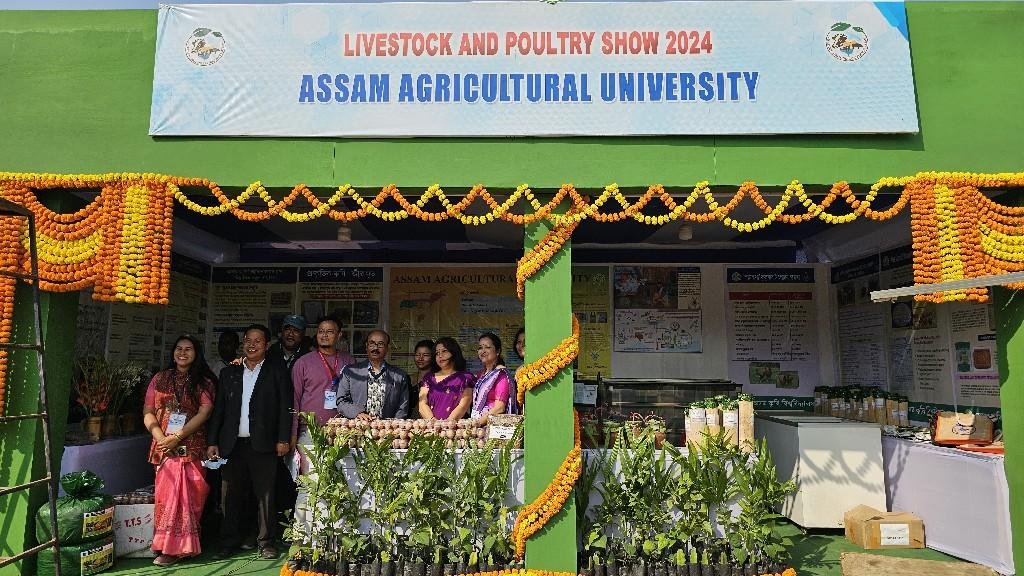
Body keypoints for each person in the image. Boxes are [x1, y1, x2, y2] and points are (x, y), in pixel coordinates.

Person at [207, 324, 293, 560]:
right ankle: (228, 542)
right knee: (230, 495)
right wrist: (212, 441)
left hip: (264, 443)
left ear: (267, 345)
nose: (252, 345)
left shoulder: (277, 371)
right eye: (248, 340)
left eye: (257, 341)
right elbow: (219, 410)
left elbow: (285, 408)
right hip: (232, 444)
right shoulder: (229, 373)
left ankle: (266, 542)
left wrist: (283, 439)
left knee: (265, 496)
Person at [143, 335, 217, 566]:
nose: (182, 353)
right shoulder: (159, 378)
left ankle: (182, 547)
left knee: (189, 498)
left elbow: (205, 412)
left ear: (196, 354)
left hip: (191, 447)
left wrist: (176, 437)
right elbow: (148, 411)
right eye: (179, 348)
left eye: (188, 349)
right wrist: (161, 438)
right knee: (166, 497)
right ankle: (165, 545)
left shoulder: (203, 382)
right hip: (164, 448)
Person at [290, 316, 355, 463]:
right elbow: (294, 399)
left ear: (339, 335)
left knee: (342, 474)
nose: (324, 335)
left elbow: (355, 396)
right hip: (310, 431)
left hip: (342, 430)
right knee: (312, 475)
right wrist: (293, 434)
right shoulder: (303, 363)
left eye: (329, 331)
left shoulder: (349, 361)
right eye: (321, 331)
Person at [337, 329, 410, 420]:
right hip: (358, 426)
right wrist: (357, 413)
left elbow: (403, 406)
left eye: (380, 344)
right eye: (372, 343)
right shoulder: (350, 372)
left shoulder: (399, 375)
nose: (375, 348)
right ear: (366, 346)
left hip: (387, 427)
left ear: (387, 348)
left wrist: (393, 425)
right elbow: (341, 401)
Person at [419, 337, 475, 420]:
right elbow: (422, 404)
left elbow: (463, 405)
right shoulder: (429, 378)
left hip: (455, 426)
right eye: (437, 353)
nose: (440, 356)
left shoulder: (465, 377)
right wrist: (433, 422)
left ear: (454, 352)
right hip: (431, 426)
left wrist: (447, 424)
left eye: (444, 351)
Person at [471, 332, 516, 420]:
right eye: (480, 348)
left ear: (498, 351)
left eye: (487, 347)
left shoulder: (501, 375)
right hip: (477, 422)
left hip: (491, 424)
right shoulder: (481, 375)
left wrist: (479, 423)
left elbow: (499, 408)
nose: (483, 351)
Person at [409, 339, 435, 419]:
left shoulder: (438, 380)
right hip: (408, 422)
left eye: (425, 355)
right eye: (417, 355)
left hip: (431, 421)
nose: (420, 358)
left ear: (433, 357)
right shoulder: (408, 379)